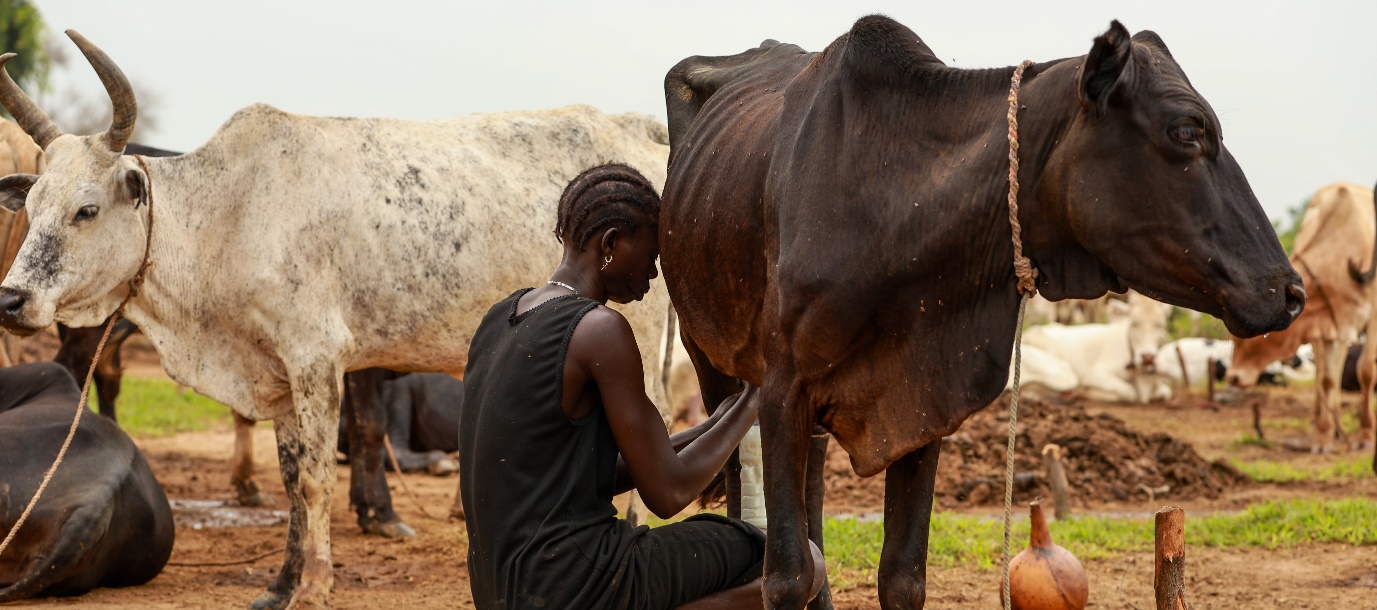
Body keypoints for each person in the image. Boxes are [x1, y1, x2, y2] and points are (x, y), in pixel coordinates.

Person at [457, 163, 825, 609]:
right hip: (580, 582)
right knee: (802, 562)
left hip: (503, 591)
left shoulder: (501, 318)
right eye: (652, 255)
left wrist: (725, 416)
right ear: (610, 243)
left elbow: (589, 472)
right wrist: (757, 396)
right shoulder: (598, 330)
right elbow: (668, 492)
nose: (655, 272)